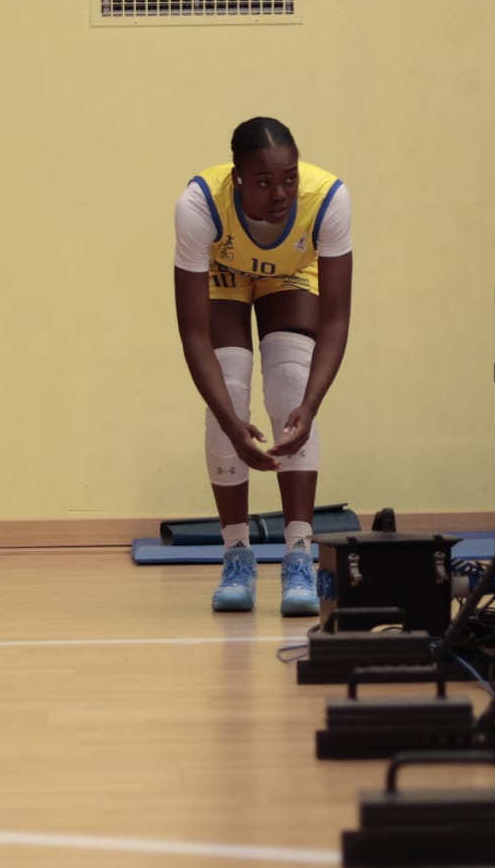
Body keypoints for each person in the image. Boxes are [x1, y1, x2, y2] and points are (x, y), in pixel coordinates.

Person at [173, 117, 352, 616]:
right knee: (227, 389)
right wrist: (232, 425)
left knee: (291, 385)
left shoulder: (328, 200)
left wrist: (311, 407)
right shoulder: (199, 205)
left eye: (289, 177)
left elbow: (336, 320)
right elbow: (195, 335)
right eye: (265, 182)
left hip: (292, 273)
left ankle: (299, 555)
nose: (281, 192)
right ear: (237, 180)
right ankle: (236, 555)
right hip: (224, 269)